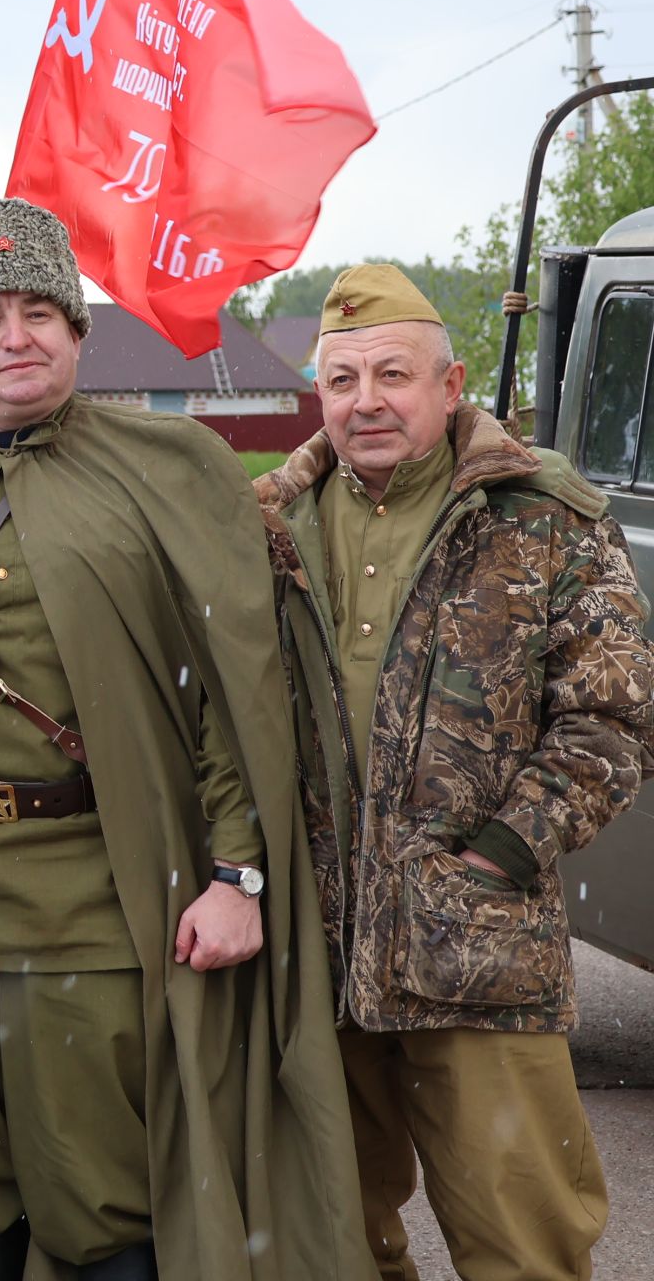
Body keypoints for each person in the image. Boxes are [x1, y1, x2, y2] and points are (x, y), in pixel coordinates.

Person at [0, 199, 371, 1281]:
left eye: (42, 310)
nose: (19, 336)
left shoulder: (172, 472)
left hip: (103, 904)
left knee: (105, 1204)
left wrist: (238, 875)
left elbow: (233, 699)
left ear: (79, 332)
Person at [254, 264, 654, 1281]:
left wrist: (501, 855)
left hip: (478, 952)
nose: (366, 401)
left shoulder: (544, 519)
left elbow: (612, 717)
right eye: (341, 380)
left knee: (524, 1243)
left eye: (393, 374)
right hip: (316, 948)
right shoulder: (267, 524)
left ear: (451, 382)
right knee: (330, 1238)